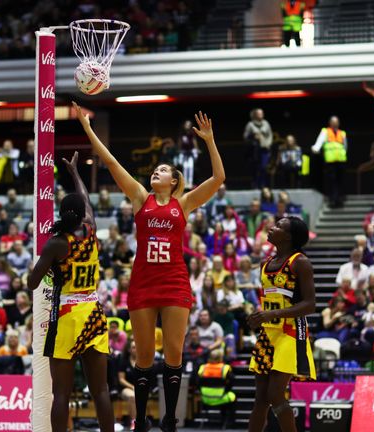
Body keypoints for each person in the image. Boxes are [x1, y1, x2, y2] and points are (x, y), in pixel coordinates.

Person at [74, 102, 225, 432]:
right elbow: (112, 163)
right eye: (155, 170)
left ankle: (169, 421)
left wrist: (209, 140)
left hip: (174, 282)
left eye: (163, 170)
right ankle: (141, 421)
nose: (156, 172)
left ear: (173, 181)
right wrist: (88, 130)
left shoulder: (183, 204)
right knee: (142, 359)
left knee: (173, 356)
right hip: (142, 282)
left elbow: (218, 178)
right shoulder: (140, 198)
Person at [27, 152, 113, 432]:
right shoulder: (91, 229)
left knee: (61, 392)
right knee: (100, 390)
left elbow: (31, 283)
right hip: (94, 314)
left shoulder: (56, 244)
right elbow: (86, 199)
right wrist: (75, 173)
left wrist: (49, 267)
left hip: (66, 317)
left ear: (61, 213)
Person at [247, 217, 316, 432]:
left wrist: (272, 314)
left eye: (278, 226)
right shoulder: (265, 263)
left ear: (288, 236)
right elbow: (271, 300)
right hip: (268, 334)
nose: (271, 228)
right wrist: (258, 316)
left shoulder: (300, 262)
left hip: (291, 332)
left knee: (275, 394)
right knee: (260, 399)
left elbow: (310, 304)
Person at [312, 116, 348, 208]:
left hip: (341, 160)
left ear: (338, 123)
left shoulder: (342, 133)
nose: (335, 123)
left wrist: (343, 154)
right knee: (331, 181)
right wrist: (316, 148)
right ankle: (332, 199)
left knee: (340, 180)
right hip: (330, 161)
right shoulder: (325, 131)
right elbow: (319, 142)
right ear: (330, 123)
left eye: (336, 122)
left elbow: (345, 146)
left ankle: (340, 198)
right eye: (333, 122)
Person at [197, 349, 236, 427]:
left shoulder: (203, 368)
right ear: (221, 357)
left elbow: (198, 383)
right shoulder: (225, 368)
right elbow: (231, 383)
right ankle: (229, 421)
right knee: (232, 396)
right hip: (221, 397)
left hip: (205, 398)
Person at [243, 108, 273, 188]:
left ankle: (263, 185)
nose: (261, 115)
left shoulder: (266, 123)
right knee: (255, 168)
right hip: (254, 150)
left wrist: (268, 144)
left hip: (264, 149)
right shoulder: (250, 124)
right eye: (259, 113)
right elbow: (245, 137)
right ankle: (255, 185)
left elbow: (270, 135)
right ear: (255, 115)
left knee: (264, 167)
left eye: (262, 113)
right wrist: (253, 136)